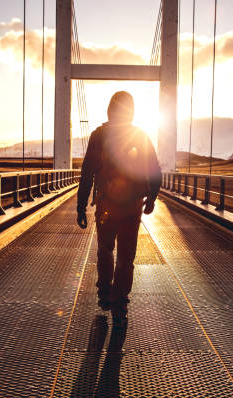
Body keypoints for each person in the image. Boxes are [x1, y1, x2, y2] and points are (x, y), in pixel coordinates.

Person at [76, 91, 162, 327]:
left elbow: (87, 173)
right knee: (126, 256)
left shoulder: (98, 135)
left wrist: (80, 206)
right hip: (132, 208)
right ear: (132, 111)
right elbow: (155, 170)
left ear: (109, 110)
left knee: (105, 250)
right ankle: (120, 303)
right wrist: (151, 198)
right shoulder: (140, 135)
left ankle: (105, 294)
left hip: (105, 206)